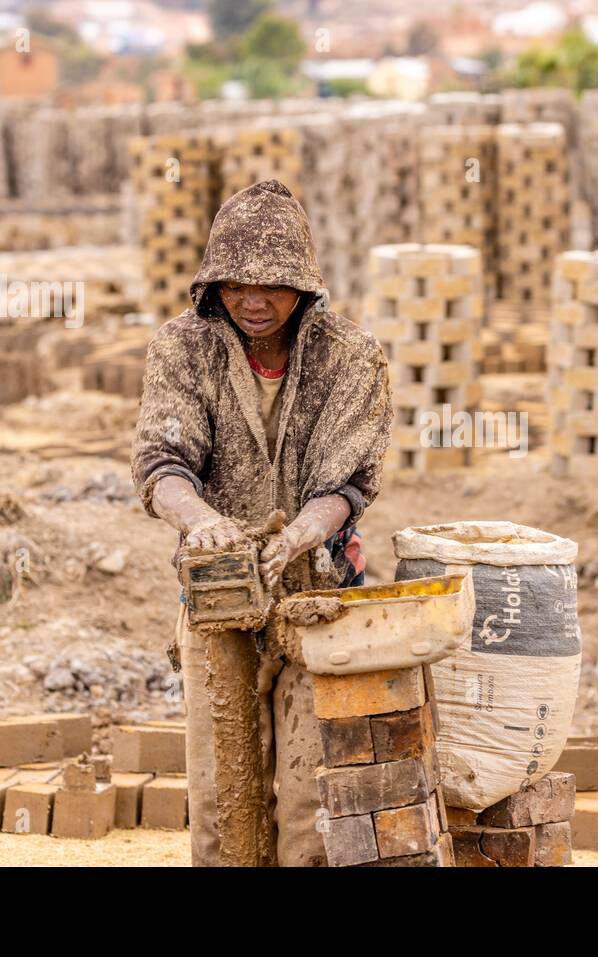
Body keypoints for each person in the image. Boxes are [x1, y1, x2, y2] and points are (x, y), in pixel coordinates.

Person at [131, 180, 392, 866]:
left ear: (303, 287)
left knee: (313, 804)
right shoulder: (182, 349)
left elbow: (350, 479)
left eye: (273, 285)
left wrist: (305, 530)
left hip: (319, 595)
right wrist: (202, 521)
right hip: (219, 596)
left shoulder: (349, 355)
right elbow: (161, 463)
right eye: (236, 282)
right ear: (212, 282)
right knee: (225, 802)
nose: (253, 299)